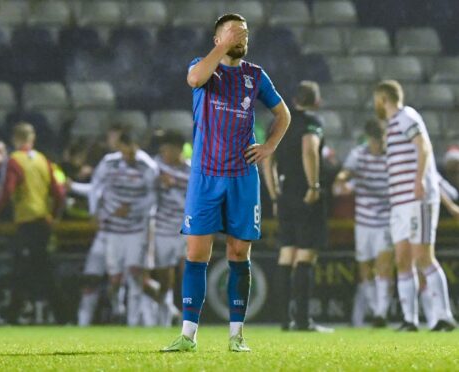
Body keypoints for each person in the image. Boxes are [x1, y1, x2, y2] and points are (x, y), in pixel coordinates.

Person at [162, 13, 290, 352]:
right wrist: (221, 48)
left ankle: (237, 336)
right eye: (235, 31)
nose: (242, 36)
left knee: (238, 252)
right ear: (218, 37)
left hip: (242, 177)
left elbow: (283, 114)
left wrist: (269, 146)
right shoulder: (204, 66)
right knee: (196, 251)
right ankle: (188, 335)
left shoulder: (256, 75)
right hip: (205, 175)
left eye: (245, 32)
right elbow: (193, 79)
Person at [374, 80, 455, 331]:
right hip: (399, 202)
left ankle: (444, 315)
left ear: (383, 98)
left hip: (416, 198)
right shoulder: (391, 125)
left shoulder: (407, 116)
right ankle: (410, 319)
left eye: (376, 99)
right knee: (402, 259)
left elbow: (424, 147)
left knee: (423, 257)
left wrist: (419, 179)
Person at [263, 81, 331, 332]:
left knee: (286, 254)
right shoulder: (312, 122)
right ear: (317, 101)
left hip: (285, 194)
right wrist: (313, 186)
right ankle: (303, 320)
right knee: (305, 255)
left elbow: (266, 159)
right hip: (305, 195)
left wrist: (273, 194)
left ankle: (284, 320)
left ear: (294, 100)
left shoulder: (279, 123)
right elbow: (309, 149)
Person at [0, 123, 65, 323]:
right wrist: (55, 215)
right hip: (43, 222)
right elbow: (59, 192)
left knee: (20, 269)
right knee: (43, 268)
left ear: (15, 139)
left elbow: (7, 190)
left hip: (26, 222)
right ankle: (63, 314)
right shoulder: (43, 160)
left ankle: (14, 313)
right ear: (33, 139)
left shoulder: (14, 161)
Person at [89, 131, 158, 326]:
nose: (130, 156)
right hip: (113, 228)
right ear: (120, 148)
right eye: (126, 152)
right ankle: (118, 307)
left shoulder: (147, 166)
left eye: (133, 152)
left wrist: (132, 209)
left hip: (136, 229)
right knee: (115, 278)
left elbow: (153, 197)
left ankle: (132, 320)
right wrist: (97, 212)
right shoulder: (109, 163)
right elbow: (96, 187)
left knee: (135, 274)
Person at [333, 119, 394, 328]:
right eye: (376, 140)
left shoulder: (393, 157)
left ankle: (381, 313)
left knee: (384, 266)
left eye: (382, 139)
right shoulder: (359, 154)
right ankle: (374, 308)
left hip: (386, 220)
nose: (379, 144)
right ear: (369, 139)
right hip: (364, 222)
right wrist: (341, 178)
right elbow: (346, 171)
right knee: (365, 269)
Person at [153, 131, 190, 326]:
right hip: (161, 228)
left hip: (185, 229)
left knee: (187, 272)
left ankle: (188, 315)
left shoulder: (190, 169)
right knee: (165, 277)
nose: (163, 152)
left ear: (178, 149)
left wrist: (174, 183)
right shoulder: (155, 166)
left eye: (167, 148)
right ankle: (165, 313)